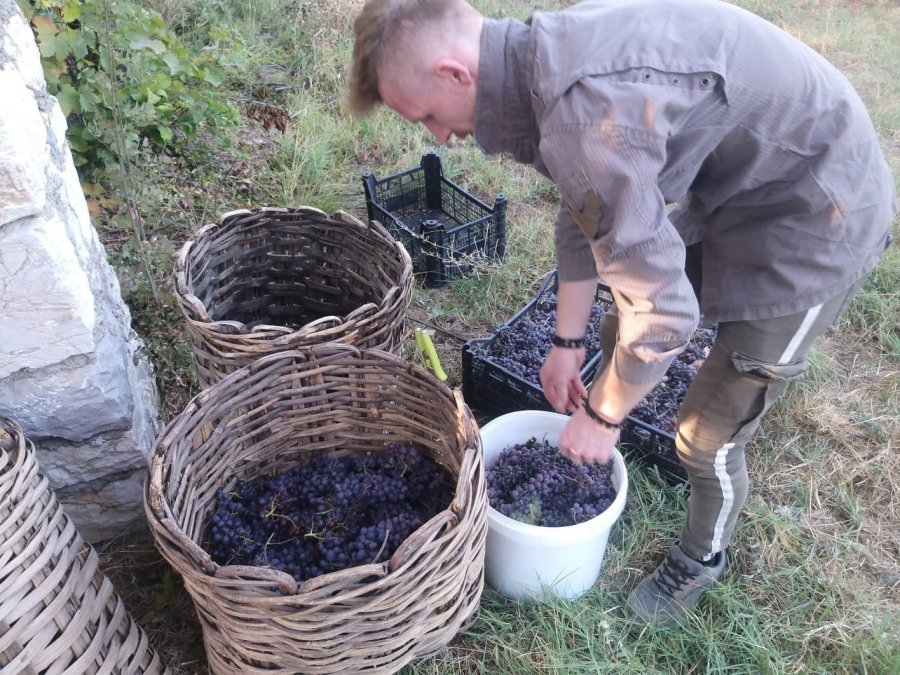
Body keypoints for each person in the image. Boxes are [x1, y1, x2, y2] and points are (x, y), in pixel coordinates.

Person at [344, 0, 896, 627]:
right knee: (617, 331)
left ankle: (700, 557)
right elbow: (583, 205)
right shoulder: (543, 61)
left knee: (706, 436)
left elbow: (663, 314)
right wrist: (567, 343)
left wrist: (602, 414)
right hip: (740, 190)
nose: (440, 137)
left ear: (454, 73)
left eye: (427, 116)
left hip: (823, 215)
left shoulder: (582, 114)